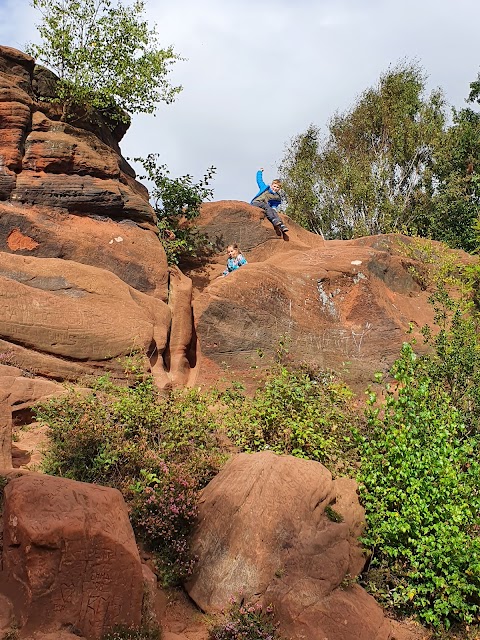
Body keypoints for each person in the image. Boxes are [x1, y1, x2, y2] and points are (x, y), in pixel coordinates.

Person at [250, 168, 288, 235]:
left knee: (273, 211)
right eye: (274, 186)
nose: (275, 188)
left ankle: (281, 225)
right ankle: (273, 220)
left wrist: (274, 209)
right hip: (256, 203)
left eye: (277, 187)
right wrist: (259, 172)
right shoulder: (265, 188)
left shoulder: (277, 196)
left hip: (265, 206)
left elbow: (274, 205)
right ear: (271, 185)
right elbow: (259, 180)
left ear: (279, 189)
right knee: (266, 206)